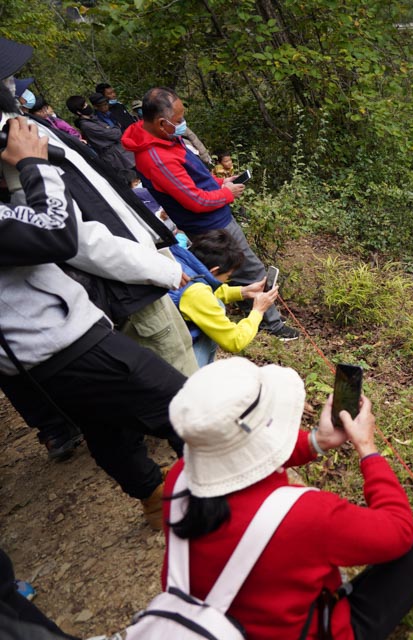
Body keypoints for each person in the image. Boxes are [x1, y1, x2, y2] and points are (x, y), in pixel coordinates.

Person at [162, 357, 413, 640]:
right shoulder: (303, 515)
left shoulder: (181, 479)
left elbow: (241, 461)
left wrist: (315, 442)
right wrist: (367, 449)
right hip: (315, 631)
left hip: (215, 622)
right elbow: (398, 533)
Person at [0, 114, 186, 529]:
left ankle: (156, 500)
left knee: (105, 424)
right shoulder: (26, 172)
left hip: (39, 348)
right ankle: (232, 500)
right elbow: (59, 234)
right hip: (58, 340)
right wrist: (32, 165)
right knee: (183, 404)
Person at [122, 86, 299, 340]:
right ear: (161, 123)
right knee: (250, 268)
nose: (183, 124)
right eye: (179, 120)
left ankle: (249, 311)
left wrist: (219, 184)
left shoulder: (165, 138)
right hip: (208, 221)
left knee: (232, 267)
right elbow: (194, 200)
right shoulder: (156, 157)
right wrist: (227, 194)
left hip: (213, 216)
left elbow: (194, 180)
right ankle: (272, 323)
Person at [169, 230, 278, 366]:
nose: (226, 279)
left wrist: (243, 291)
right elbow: (234, 341)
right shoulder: (195, 293)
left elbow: (203, 291)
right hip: (170, 357)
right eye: (228, 275)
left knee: (217, 303)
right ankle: (194, 377)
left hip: (158, 342)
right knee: (216, 309)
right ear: (214, 270)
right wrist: (258, 311)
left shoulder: (180, 260)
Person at [66, 93, 137, 184]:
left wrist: (113, 129)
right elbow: (114, 133)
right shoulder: (87, 125)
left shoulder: (94, 118)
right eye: (84, 106)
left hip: (121, 152)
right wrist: (114, 128)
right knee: (132, 179)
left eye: (86, 103)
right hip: (116, 157)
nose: (87, 106)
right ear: (78, 112)